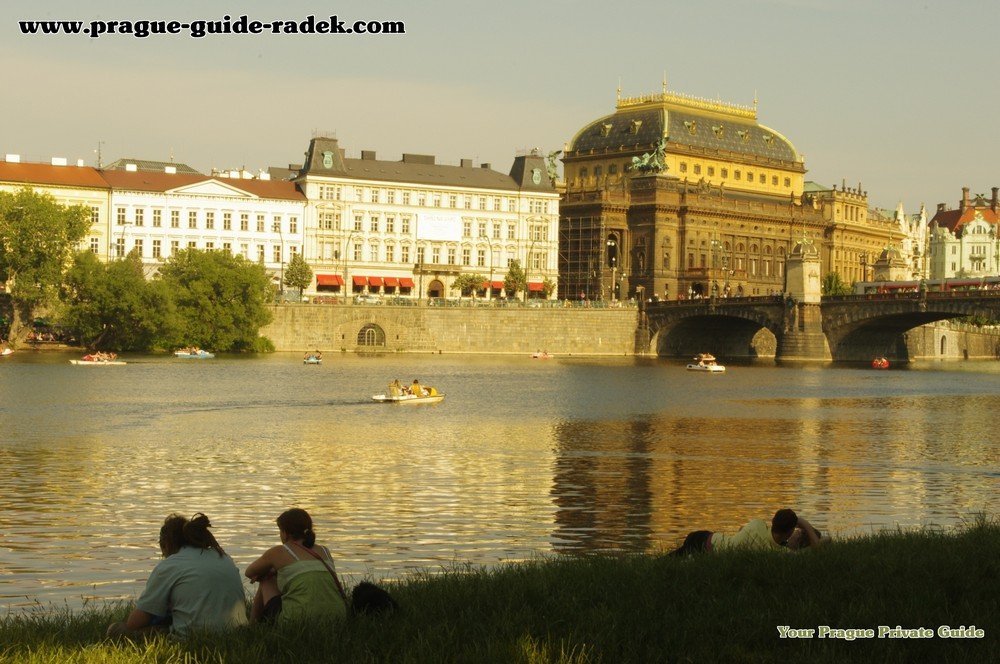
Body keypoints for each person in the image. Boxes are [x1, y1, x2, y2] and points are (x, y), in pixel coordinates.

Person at [106, 513, 247, 638]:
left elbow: (134, 623)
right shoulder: (223, 556)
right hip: (237, 632)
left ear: (165, 545)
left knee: (116, 630)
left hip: (193, 636)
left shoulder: (170, 565)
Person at [245, 508, 348, 624]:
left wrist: (269, 572)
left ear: (285, 533)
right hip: (338, 617)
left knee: (265, 580)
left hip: (297, 620)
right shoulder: (324, 550)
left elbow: (249, 573)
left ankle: (252, 626)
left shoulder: (278, 552)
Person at [669, 509, 821, 556]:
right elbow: (818, 550)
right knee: (675, 559)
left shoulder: (758, 524)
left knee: (673, 559)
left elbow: (741, 530)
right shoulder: (776, 553)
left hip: (704, 538)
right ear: (788, 533)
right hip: (702, 544)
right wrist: (805, 525)